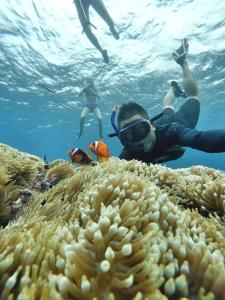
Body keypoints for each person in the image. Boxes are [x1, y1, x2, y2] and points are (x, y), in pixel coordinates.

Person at [108, 38, 225, 164]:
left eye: (141, 130)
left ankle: (182, 62)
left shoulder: (173, 133)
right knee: (167, 107)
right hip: (163, 120)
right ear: (123, 139)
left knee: (193, 96)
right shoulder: (128, 153)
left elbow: (200, 139)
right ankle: (173, 89)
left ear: (152, 125)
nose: (138, 140)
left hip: (181, 120)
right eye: (129, 136)